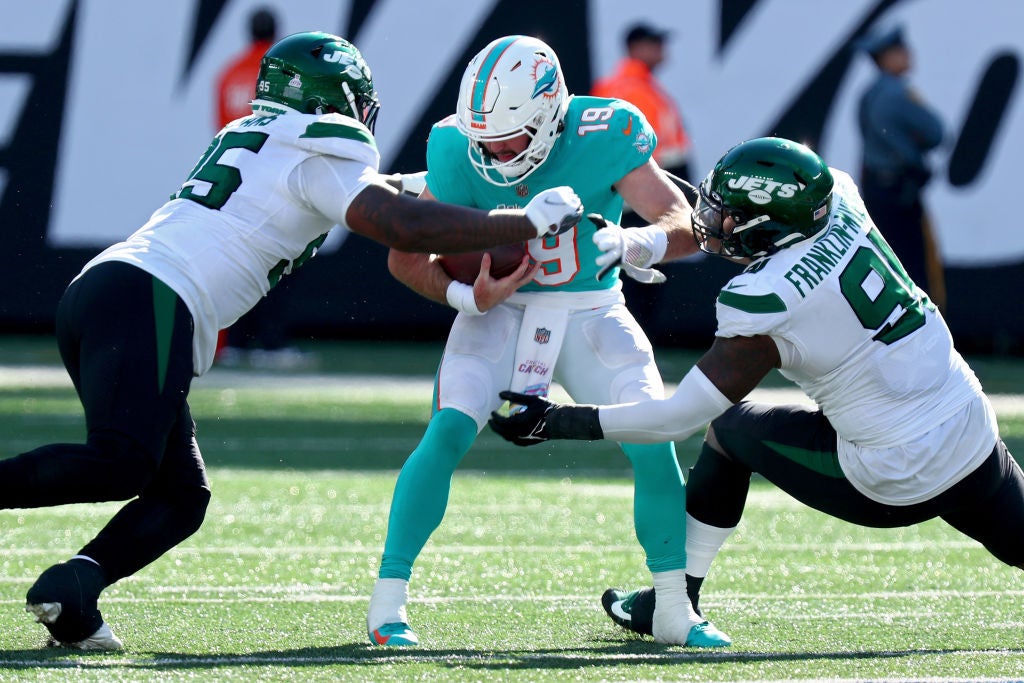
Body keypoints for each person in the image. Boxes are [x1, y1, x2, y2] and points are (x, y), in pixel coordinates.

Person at [3, 31, 583, 652]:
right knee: (123, 461)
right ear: (338, 100)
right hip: (151, 297)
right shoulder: (326, 148)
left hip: (109, 292)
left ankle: (73, 592)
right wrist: (522, 219)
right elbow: (399, 225)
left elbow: (368, 191)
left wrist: (446, 211)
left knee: (180, 495)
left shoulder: (259, 137)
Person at [490, 137, 1024, 644]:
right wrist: (642, 243)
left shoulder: (765, 298)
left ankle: (675, 597)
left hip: (892, 471)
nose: (717, 222)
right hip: (971, 430)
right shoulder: (838, 196)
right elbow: (757, 224)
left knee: (730, 430)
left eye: (730, 214)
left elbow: (679, 417)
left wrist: (556, 419)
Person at [368, 34, 730, 649]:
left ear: (548, 117)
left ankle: (674, 608)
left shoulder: (606, 134)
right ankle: (386, 607)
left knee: (654, 439)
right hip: (498, 315)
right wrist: (464, 296)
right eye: (483, 135)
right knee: (449, 429)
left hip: (592, 309)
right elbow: (407, 259)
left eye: (508, 136)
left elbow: (684, 221)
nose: (494, 150)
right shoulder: (457, 146)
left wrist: (638, 243)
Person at [213, 7, 306, 368]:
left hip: (234, 180)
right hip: (276, 180)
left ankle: (237, 341)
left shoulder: (228, 73)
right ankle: (271, 342)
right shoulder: (284, 74)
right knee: (280, 258)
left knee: (238, 258)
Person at [856, 24, 945, 307]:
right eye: (901, 51)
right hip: (902, 195)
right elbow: (938, 133)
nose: (909, 55)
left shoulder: (867, 95)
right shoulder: (900, 94)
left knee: (883, 266)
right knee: (916, 269)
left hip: (875, 193)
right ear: (887, 57)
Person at [592, 22, 693, 184]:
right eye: (654, 42)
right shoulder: (630, 89)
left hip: (655, 183)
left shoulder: (643, 85)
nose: (661, 47)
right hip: (648, 188)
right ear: (635, 48)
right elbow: (637, 148)